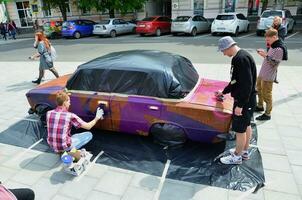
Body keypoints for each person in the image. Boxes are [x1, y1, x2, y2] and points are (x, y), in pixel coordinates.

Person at [216, 36, 257, 165]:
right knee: (247, 125)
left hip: (244, 100)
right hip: (248, 100)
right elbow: (235, 81)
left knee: (239, 130)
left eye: (223, 51)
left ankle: (237, 156)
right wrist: (224, 92)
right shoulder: (240, 56)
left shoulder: (241, 59)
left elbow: (247, 84)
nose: (223, 54)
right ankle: (244, 151)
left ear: (229, 47)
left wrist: (240, 105)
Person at [255, 28, 287, 121]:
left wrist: (265, 55)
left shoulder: (279, 48)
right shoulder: (273, 45)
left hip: (268, 76)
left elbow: (274, 63)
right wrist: (265, 54)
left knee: (267, 95)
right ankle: (260, 106)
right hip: (262, 73)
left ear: (274, 37)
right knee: (259, 90)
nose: (267, 41)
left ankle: (267, 114)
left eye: (268, 39)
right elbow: (269, 58)